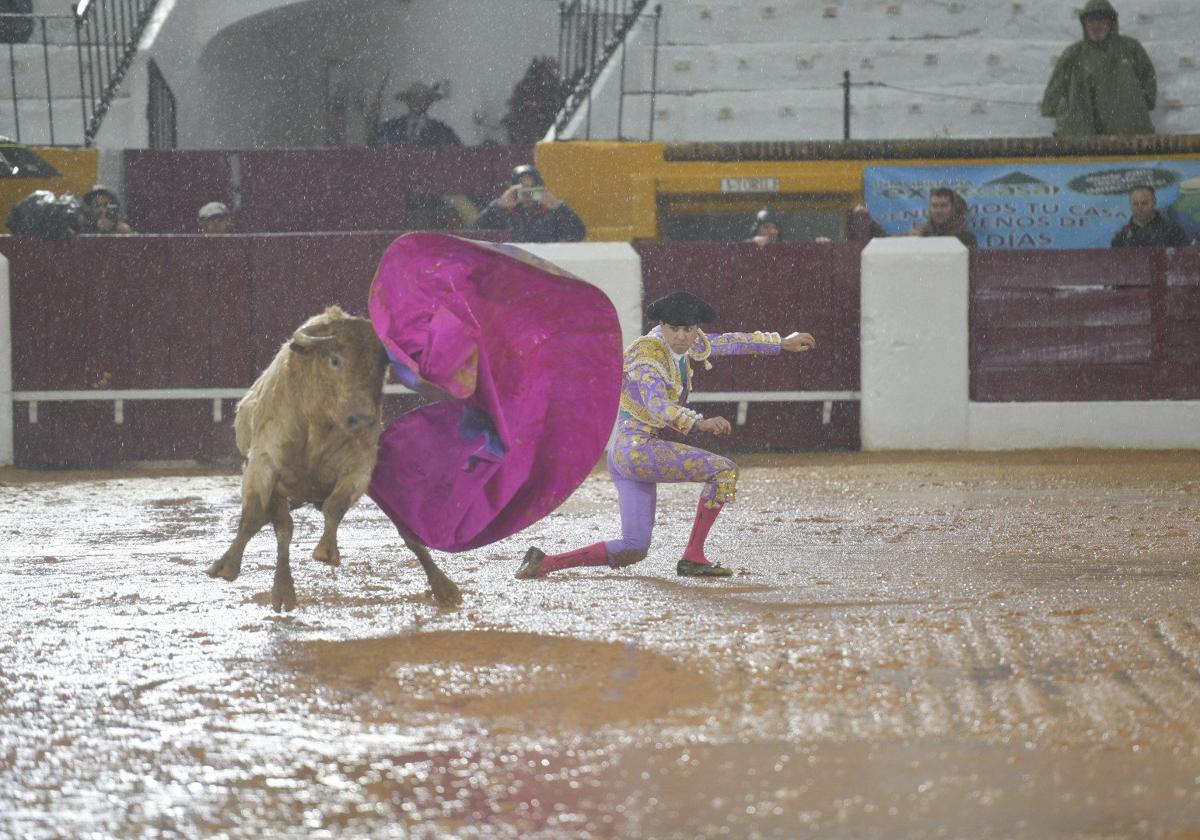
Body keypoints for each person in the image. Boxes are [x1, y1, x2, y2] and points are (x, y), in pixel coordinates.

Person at [515, 290, 816, 580]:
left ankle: (545, 563)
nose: (683, 336)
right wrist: (700, 424)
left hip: (626, 454)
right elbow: (658, 407)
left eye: (689, 328)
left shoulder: (686, 344)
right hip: (638, 450)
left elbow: (726, 343)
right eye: (675, 328)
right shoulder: (648, 356)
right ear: (662, 325)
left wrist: (781, 343)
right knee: (724, 471)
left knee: (634, 547)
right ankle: (693, 557)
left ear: (696, 327)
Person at [1040, 0, 1156, 137]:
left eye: (1101, 20)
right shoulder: (1074, 53)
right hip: (1083, 134)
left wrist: (1139, 105)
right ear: (1085, 24)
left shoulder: (1130, 48)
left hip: (1127, 131)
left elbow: (1148, 78)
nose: (1096, 25)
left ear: (1111, 22)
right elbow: (1056, 87)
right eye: (1091, 21)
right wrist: (1058, 109)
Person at [473, 164, 586, 243]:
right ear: (512, 190)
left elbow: (578, 234)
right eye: (523, 192)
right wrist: (498, 206)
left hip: (543, 265)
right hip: (512, 264)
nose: (528, 197)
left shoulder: (551, 214)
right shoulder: (503, 213)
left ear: (540, 190)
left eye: (532, 192)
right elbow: (475, 234)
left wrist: (558, 206)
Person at [371, 81, 461, 148]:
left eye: (423, 98)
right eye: (414, 98)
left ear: (429, 102)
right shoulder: (391, 127)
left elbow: (456, 150)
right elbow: (375, 145)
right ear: (407, 101)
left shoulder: (441, 130)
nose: (418, 102)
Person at [1111, 185, 1191, 247]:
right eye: (1135, 204)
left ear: (1154, 203)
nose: (1140, 207)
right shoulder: (1121, 236)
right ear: (1130, 205)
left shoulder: (1171, 231)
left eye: (1144, 203)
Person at [906, 187, 977, 249]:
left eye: (943, 205)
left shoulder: (966, 239)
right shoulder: (922, 234)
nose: (938, 211)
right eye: (934, 206)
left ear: (953, 208)